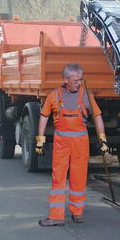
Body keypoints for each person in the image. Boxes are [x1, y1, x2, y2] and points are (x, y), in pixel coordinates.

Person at [35, 63, 108, 226]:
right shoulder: (54, 95)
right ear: (66, 79)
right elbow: (43, 116)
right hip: (61, 143)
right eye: (75, 80)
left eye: (80, 80)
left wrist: (102, 137)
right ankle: (56, 216)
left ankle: (77, 212)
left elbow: (97, 116)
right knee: (58, 178)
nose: (78, 83)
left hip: (81, 143)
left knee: (79, 177)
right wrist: (40, 139)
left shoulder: (86, 96)